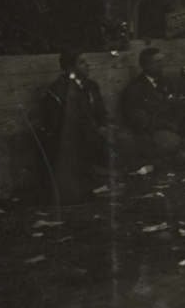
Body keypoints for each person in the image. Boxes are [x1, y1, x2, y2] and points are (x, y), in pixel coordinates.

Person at [34, 51, 125, 199]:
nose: (88, 64)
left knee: (124, 139)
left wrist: (112, 126)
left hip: (92, 134)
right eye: (82, 62)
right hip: (71, 139)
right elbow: (61, 123)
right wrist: (97, 130)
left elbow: (101, 113)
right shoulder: (59, 89)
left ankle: (108, 176)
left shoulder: (91, 86)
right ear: (70, 68)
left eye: (87, 60)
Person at [121, 47, 185, 166]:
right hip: (153, 131)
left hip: (171, 124)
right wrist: (167, 124)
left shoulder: (165, 82)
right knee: (173, 141)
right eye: (158, 62)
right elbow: (140, 120)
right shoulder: (135, 88)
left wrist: (181, 117)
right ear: (146, 66)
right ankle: (179, 163)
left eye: (162, 60)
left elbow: (177, 103)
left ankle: (184, 159)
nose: (163, 64)